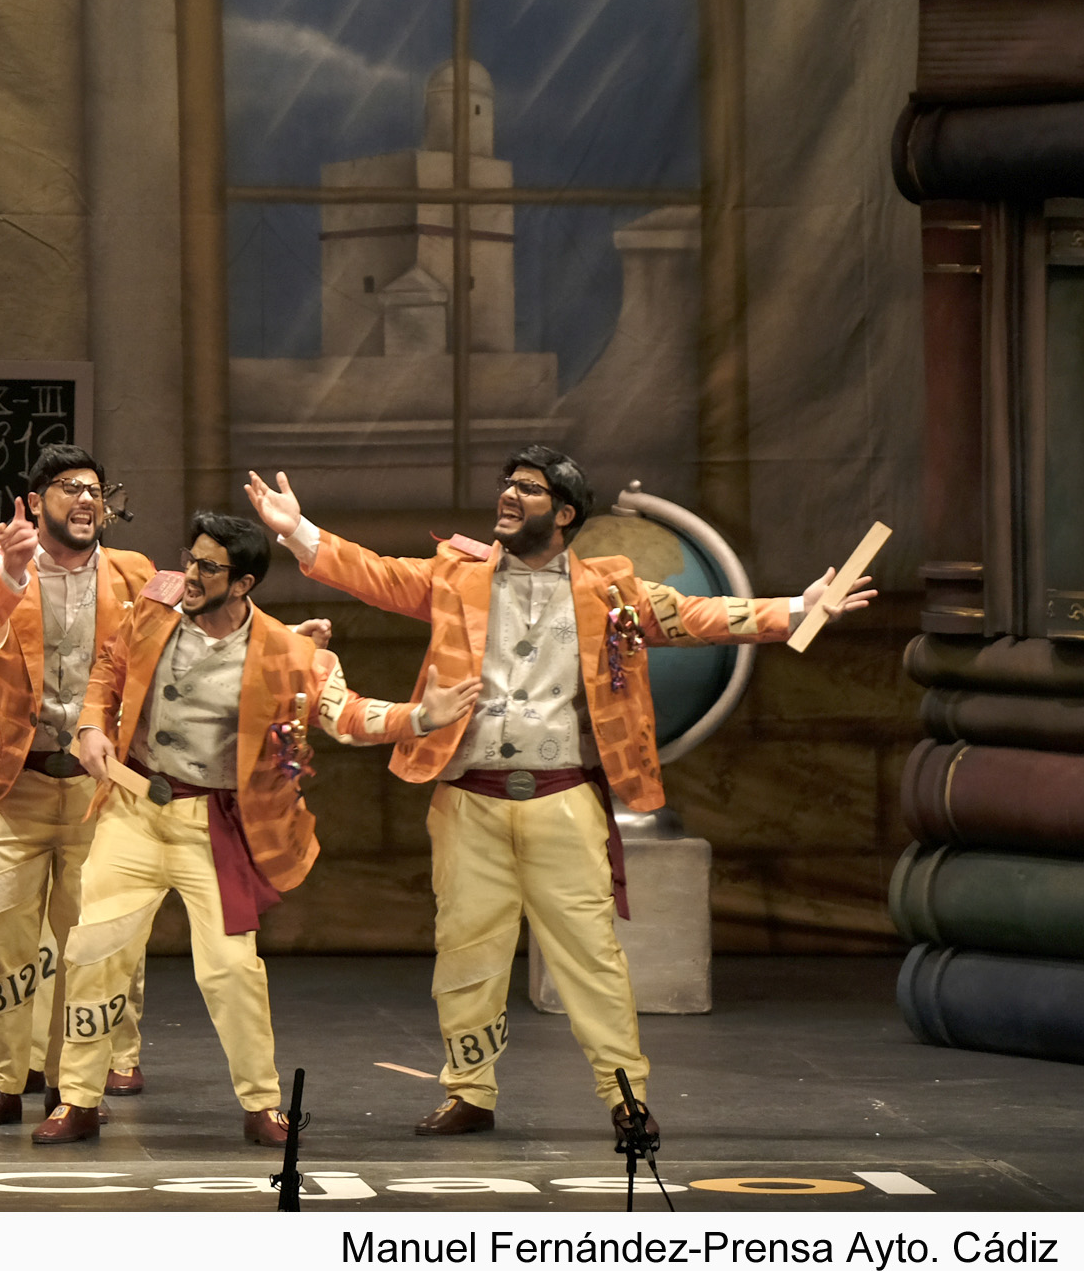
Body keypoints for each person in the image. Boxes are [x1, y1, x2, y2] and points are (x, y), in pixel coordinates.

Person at [244, 447, 876, 1142]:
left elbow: (700, 614)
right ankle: (469, 1091)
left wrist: (799, 606)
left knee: (590, 955)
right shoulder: (456, 577)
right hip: (469, 799)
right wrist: (296, 529)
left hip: (562, 799)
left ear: (565, 512)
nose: (509, 495)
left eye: (529, 488)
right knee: (465, 951)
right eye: (507, 484)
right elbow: (373, 574)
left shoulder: (608, 590)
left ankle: (625, 1096)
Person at [33, 510, 462, 1145]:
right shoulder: (155, 604)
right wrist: (92, 724)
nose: (192, 574)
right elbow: (109, 669)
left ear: (244, 584)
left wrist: (420, 717)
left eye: (209, 567)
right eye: (192, 558)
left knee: (231, 970)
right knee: (95, 954)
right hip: (134, 810)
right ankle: (77, 1099)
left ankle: (261, 1103)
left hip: (211, 824)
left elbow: (347, 716)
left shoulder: (288, 653)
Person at [0, 446, 151, 1127]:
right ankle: (0, 1083)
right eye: (69, 488)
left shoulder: (135, 573)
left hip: (98, 793)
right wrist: (9, 573)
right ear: (33, 502)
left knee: (88, 948)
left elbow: (186, 645)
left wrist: (296, 638)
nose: (87, 500)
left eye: (96, 489)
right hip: (16, 786)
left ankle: (73, 1088)